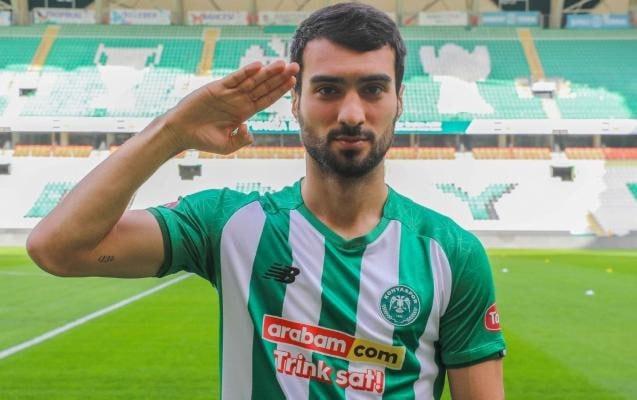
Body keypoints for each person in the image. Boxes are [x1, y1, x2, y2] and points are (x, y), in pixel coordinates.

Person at [27, 3, 505, 399]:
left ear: (399, 99)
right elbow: (57, 249)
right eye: (328, 89)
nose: (351, 113)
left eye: (373, 89)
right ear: (294, 101)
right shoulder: (229, 225)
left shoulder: (450, 254)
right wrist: (172, 131)